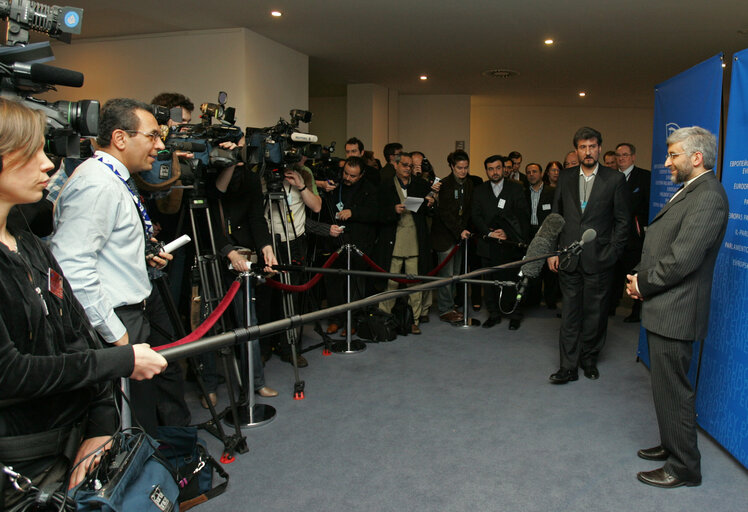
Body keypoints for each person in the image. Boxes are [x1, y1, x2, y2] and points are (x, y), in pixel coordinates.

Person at [0, 98, 167, 507]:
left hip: (69, 439)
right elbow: (10, 371)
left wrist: (101, 421)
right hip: (21, 462)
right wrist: (121, 357)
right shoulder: (94, 181)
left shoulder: (23, 237)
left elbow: (72, 329)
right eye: (33, 152)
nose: (49, 165)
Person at [51, 98, 189, 434]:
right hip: (117, 316)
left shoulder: (115, 178)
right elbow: (71, 267)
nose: (160, 145)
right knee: (131, 415)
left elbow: (104, 248)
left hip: (139, 306)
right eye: (153, 136)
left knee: (158, 391)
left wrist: (140, 256)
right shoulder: (97, 185)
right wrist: (117, 335)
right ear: (121, 138)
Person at [626, 127, 728, 489]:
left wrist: (643, 283)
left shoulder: (709, 196)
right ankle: (672, 445)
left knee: (675, 391)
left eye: (673, 155)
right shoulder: (693, 191)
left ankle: (685, 466)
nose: (667, 162)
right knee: (665, 388)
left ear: (696, 157)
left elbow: (683, 258)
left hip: (677, 310)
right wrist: (642, 279)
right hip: (664, 306)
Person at [547, 126, 630, 383]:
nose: (588, 152)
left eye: (592, 146)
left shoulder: (614, 180)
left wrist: (612, 253)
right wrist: (552, 251)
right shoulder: (565, 177)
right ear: (576, 150)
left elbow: (623, 222)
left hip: (600, 259)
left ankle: (589, 359)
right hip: (569, 259)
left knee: (595, 315)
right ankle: (568, 367)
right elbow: (555, 217)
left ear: (600, 149)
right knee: (570, 315)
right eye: (583, 147)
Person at [376, 151, 435, 334]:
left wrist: (431, 203)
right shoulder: (385, 186)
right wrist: (393, 210)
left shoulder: (420, 185)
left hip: (415, 240)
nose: (408, 169)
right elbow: (377, 213)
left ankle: (414, 320)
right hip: (393, 240)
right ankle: (384, 318)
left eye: (410, 166)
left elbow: (429, 211)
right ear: (396, 165)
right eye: (404, 165)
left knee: (415, 283)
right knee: (390, 283)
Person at [472, 155, 530, 330]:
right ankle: (494, 314)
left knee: (512, 281)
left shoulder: (516, 189)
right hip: (488, 244)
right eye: (490, 169)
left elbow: (522, 215)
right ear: (486, 171)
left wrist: (507, 232)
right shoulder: (479, 190)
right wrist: (489, 233)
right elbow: (475, 216)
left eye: (498, 168)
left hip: (510, 244)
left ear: (504, 169)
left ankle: (515, 315)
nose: (494, 172)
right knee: (490, 283)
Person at [431, 150, 474, 324]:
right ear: (451, 166)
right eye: (459, 168)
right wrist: (459, 230)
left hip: (460, 236)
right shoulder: (444, 184)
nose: (463, 171)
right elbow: (445, 213)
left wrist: (465, 230)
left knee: (456, 274)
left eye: (465, 167)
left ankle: (451, 304)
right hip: (445, 236)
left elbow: (468, 210)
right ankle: (445, 309)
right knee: (446, 275)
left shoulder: (469, 183)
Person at [612, 142, 650, 322]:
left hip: (634, 237)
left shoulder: (644, 177)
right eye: (618, 155)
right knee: (612, 273)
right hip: (613, 236)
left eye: (625, 155)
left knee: (633, 273)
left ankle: (636, 311)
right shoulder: (610, 177)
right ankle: (610, 306)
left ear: (633, 157)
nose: (621, 158)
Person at [523, 162, 556, 308]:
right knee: (532, 266)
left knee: (549, 270)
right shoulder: (523, 192)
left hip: (546, 233)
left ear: (541, 174)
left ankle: (550, 300)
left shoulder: (552, 192)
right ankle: (534, 299)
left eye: (534, 171)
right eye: (528, 172)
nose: (531, 174)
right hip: (529, 233)